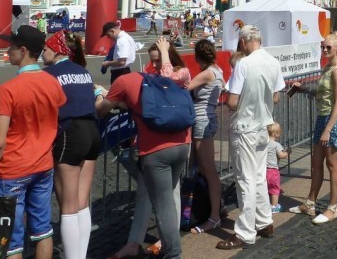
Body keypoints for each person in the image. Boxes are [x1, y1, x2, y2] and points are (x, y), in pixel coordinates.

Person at [0, 25, 66, 258]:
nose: (8, 51)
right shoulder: (52, 82)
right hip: (43, 164)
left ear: (22, 50)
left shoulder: (7, 90)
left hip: (13, 169)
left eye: (11, 47)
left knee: (11, 238)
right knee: (43, 230)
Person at [96, 58, 191, 259]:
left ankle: (173, 254)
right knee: (165, 199)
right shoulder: (168, 79)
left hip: (156, 151)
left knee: (163, 204)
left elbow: (103, 109)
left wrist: (98, 93)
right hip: (182, 143)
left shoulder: (124, 81)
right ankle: (146, 244)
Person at [215, 25, 285, 250]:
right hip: (264, 127)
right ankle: (265, 223)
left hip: (245, 127)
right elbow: (276, 97)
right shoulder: (274, 62)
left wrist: (237, 98)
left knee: (245, 180)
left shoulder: (244, 64)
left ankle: (244, 233)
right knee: (258, 178)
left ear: (244, 42)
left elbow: (232, 102)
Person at [42, 30, 100, 259]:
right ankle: (80, 255)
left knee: (67, 205)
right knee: (82, 202)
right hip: (92, 131)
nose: (42, 53)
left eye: (45, 49)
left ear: (56, 50)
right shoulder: (83, 72)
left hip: (70, 132)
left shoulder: (50, 74)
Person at [288, 32, 337, 224]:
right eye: (322, 46)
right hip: (322, 118)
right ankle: (310, 203)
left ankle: (332, 207)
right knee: (316, 163)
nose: (324, 50)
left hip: (333, 120)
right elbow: (321, 93)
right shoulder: (327, 68)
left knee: (332, 164)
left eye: (328, 47)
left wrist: (328, 129)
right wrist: (302, 88)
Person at [186, 39, 224, 235]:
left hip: (202, 121)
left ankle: (214, 216)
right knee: (205, 169)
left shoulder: (207, 73)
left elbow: (186, 87)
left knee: (208, 171)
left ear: (198, 57)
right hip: (207, 119)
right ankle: (215, 207)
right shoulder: (218, 70)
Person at [266, 122, 289, 213]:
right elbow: (281, 155)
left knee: (264, 187)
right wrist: (288, 152)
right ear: (277, 134)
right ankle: (274, 206)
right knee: (275, 189)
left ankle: (263, 204)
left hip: (263, 170)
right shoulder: (276, 145)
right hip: (273, 171)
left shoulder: (264, 144)